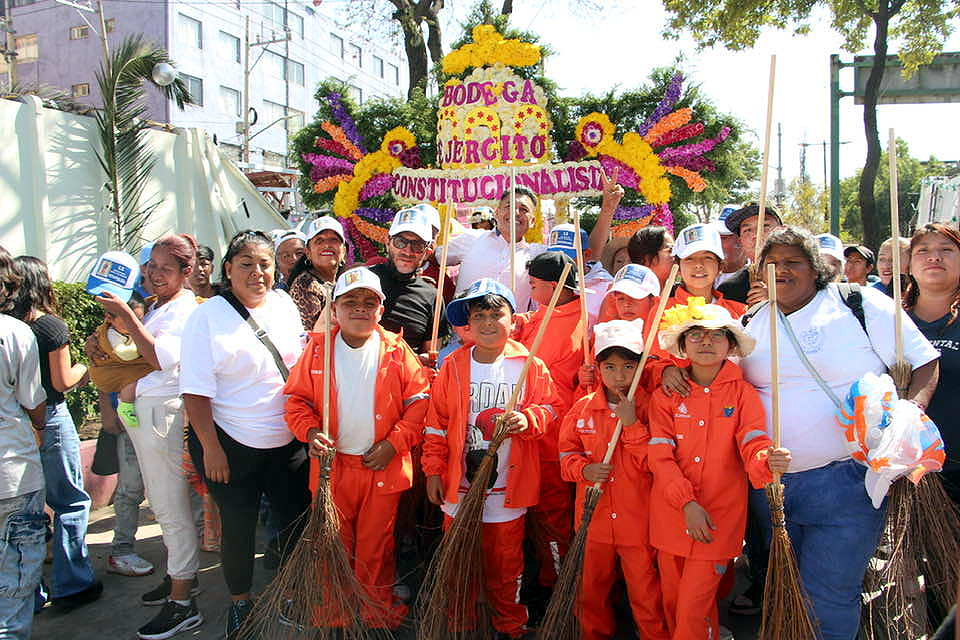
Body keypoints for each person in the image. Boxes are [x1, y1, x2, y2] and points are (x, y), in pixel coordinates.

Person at [740, 226, 939, 640]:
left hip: (847, 481)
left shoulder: (858, 304)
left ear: (816, 269)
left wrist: (910, 413)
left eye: (793, 262)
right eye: (771, 263)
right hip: (772, 487)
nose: (781, 270)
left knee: (828, 595)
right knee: (787, 588)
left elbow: (923, 361)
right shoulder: (750, 322)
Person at [181, 230, 311, 639]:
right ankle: (240, 602)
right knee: (238, 529)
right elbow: (195, 393)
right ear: (228, 269)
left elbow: (300, 365)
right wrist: (211, 449)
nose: (257, 273)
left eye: (265, 264)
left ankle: (292, 593)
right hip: (229, 444)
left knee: (295, 523)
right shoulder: (206, 317)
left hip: (287, 441)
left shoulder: (284, 304)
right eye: (246, 264)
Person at [284, 266, 429, 630]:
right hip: (333, 471)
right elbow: (295, 401)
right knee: (331, 546)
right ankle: (334, 617)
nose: (360, 308)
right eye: (350, 302)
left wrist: (394, 443)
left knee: (375, 547)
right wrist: (310, 432)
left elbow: (420, 402)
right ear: (334, 310)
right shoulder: (318, 350)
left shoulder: (396, 350)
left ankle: (376, 616)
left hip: (382, 469)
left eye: (369, 302)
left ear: (381, 309)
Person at [423, 278, 559, 639]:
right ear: (468, 323)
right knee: (458, 562)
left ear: (513, 320)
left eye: (496, 314)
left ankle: (509, 626)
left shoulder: (529, 364)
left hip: (507, 490)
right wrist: (434, 470)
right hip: (459, 487)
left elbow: (550, 408)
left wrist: (529, 419)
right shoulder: (453, 365)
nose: (487, 323)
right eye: (479, 315)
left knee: (506, 565)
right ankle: (460, 624)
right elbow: (436, 424)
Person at [649, 300, 790, 639]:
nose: (706, 342)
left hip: (717, 520)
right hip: (670, 517)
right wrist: (685, 502)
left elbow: (753, 442)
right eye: (696, 335)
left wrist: (766, 461)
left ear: (730, 345)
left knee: (691, 611)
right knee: (673, 604)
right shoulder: (665, 396)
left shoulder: (743, 394)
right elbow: (659, 456)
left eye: (717, 335)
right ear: (682, 345)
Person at [93, 235, 203, 639]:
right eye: (151, 266)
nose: (155, 274)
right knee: (161, 502)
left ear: (186, 272)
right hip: (146, 411)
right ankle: (180, 578)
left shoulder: (185, 309)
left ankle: (183, 601)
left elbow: (157, 357)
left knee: (170, 506)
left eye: (165, 268)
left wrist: (126, 314)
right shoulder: (160, 305)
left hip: (162, 414)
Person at [558, 319, 669, 640]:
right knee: (590, 592)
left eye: (628, 366)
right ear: (597, 368)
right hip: (593, 523)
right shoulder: (582, 409)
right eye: (610, 367)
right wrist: (584, 470)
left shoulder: (652, 407)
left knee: (647, 593)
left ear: (641, 367)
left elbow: (656, 464)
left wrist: (632, 425)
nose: (619, 376)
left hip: (640, 523)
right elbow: (565, 457)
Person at [10, 257, 101, 609]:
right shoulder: (50, 327)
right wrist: (85, 367)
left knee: (26, 510)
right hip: (49, 417)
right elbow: (62, 381)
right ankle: (72, 583)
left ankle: (27, 593)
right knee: (70, 502)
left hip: (17, 423)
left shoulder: (9, 327)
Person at [512, 251, 584, 592]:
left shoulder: (571, 324)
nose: (530, 290)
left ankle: (555, 584)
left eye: (533, 284)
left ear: (554, 287)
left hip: (550, 434)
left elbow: (530, 364)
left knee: (551, 513)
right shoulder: (553, 311)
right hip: (532, 429)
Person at [443, 184, 615, 314]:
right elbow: (433, 258)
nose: (516, 213)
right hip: (462, 340)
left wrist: (607, 209)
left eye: (523, 209)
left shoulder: (538, 255)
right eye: (509, 207)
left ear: (532, 221)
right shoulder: (471, 239)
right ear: (497, 213)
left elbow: (584, 253)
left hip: (512, 344)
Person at [0, 246, 47, 640]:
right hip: (13, 470)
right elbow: (34, 401)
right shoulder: (15, 333)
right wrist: (40, 426)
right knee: (15, 582)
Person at [904, 223, 960, 505]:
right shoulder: (889, 321)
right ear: (909, 264)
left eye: (946, 250)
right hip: (900, 474)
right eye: (923, 250)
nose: (934, 257)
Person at [369, 206, 448, 356]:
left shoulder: (433, 297)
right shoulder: (364, 280)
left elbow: (431, 353)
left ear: (427, 252)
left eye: (417, 245)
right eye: (400, 242)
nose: (408, 251)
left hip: (407, 369)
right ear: (387, 242)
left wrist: (423, 359)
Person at [546, 223, 613, 328]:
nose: (559, 262)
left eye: (567, 256)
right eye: (553, 256)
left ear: (587, 254)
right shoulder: (544, 282)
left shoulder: (607, 287)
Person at [716, 201, 783, 304]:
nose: (756, 235)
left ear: (783, 230)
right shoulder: (730, 290)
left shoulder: (804, 276)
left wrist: (779, 300)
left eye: (764, 226)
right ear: (740, 240)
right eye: (747, 230)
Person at [288, 216, 347, 330]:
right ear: (308, 252)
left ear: (343, 251)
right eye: (319, 241)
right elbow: (313, 335)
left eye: (334, 240)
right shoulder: (305, 285)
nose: (327, 245)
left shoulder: (343, 282)